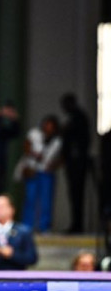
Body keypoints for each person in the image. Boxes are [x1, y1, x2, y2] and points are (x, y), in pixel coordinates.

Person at [18, 115, 62, 232]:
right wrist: (34, 155)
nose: (48, 128)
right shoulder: (34, 133)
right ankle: (26, 227)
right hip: (32, 170)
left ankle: (45, 227)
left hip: (46, 173)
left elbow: (61, 157)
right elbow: (26, 146)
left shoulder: (57, 140)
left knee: (46, 201)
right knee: (30, 199)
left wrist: (53, 166)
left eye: (51, 126)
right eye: (46, 125)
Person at [60, 93, 91, 233]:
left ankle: (78, 225)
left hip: (77, 161)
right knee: (74, 194)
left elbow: (80, 140)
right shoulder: (73, 117)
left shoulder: (78, 118)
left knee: (77, 194)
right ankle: (76, 223)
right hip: (72, 161)